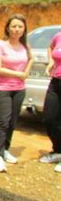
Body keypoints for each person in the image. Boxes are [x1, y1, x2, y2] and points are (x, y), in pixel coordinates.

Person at [0, 14, 33, 172]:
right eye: (14, 26)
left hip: (19, 89)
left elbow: (31, 59)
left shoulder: (25, 46)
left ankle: (5, 149)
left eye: (20, 27)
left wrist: (26, 71)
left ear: (24, 29)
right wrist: (19, 75)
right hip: (2, 89)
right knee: (3, 121)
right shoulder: (0, 45)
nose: (16, 29)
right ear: (8, 28)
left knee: (12, 122)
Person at [39, 32, 61, 173]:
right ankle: (58, 151)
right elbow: (50, 47)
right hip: (56, 82)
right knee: (49, 119)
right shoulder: (59, 36)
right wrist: (52, 62)